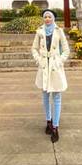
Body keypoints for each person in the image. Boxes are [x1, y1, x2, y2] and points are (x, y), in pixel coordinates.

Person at [31, 9, 70, 143]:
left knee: (57, 97)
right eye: (45, 17)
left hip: (55, 67)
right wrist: (39, 59)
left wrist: (59, 61)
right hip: (44, 67)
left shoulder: (59, 31)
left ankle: (55, 126)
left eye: (49, 16)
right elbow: (34, 49)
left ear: (53, 18)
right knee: (45, 96)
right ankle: (48, 121)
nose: (47, 19)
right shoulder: (39, 31)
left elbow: (66, 50)